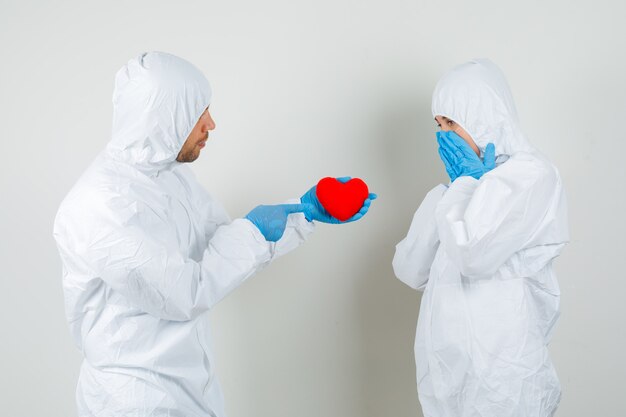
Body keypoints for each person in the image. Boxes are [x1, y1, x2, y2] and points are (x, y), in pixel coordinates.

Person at [53, 51, 375, 417]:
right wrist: (254, 232)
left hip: (189, 389)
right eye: (197, 114)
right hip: (135, 401)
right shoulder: (99, 205)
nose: (211, 124)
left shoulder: (169, 177)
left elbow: (222, 246)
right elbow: (184, 292)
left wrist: (303, 212)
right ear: (161, 119)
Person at [392, 59, 568, 417]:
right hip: (446, 376)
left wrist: (467, 187)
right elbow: (409, 270)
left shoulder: (530, 176)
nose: (443, 135)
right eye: (438, 124)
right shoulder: (454, 192)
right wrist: (453, 192)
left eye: (452, 122)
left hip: (505, 379)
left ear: (486, 116)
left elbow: (473, 254)